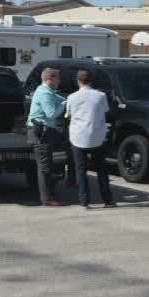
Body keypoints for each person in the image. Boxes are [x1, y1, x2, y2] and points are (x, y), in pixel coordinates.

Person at [63, 69, 116, 209]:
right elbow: (105, 111)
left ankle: (84, 200)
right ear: (92, 81)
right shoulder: (101, 95)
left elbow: (68, 115)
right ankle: (108, 199)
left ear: (78, 81)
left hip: (78, 137)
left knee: (81, 170)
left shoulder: (72, 97)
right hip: (97, 136)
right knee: (101, 169)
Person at [27, 66, 69, 207]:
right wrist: (63, 105)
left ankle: (48, 195)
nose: (59, 81)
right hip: (42, 132)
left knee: (48, 165)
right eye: (58, 78)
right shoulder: (45, 93)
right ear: (50, 78)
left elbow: (59, 98)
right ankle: (46, 199)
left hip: (45, 131)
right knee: (44, 167)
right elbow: (51, 114)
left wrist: (67, 99)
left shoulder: (47, 91)